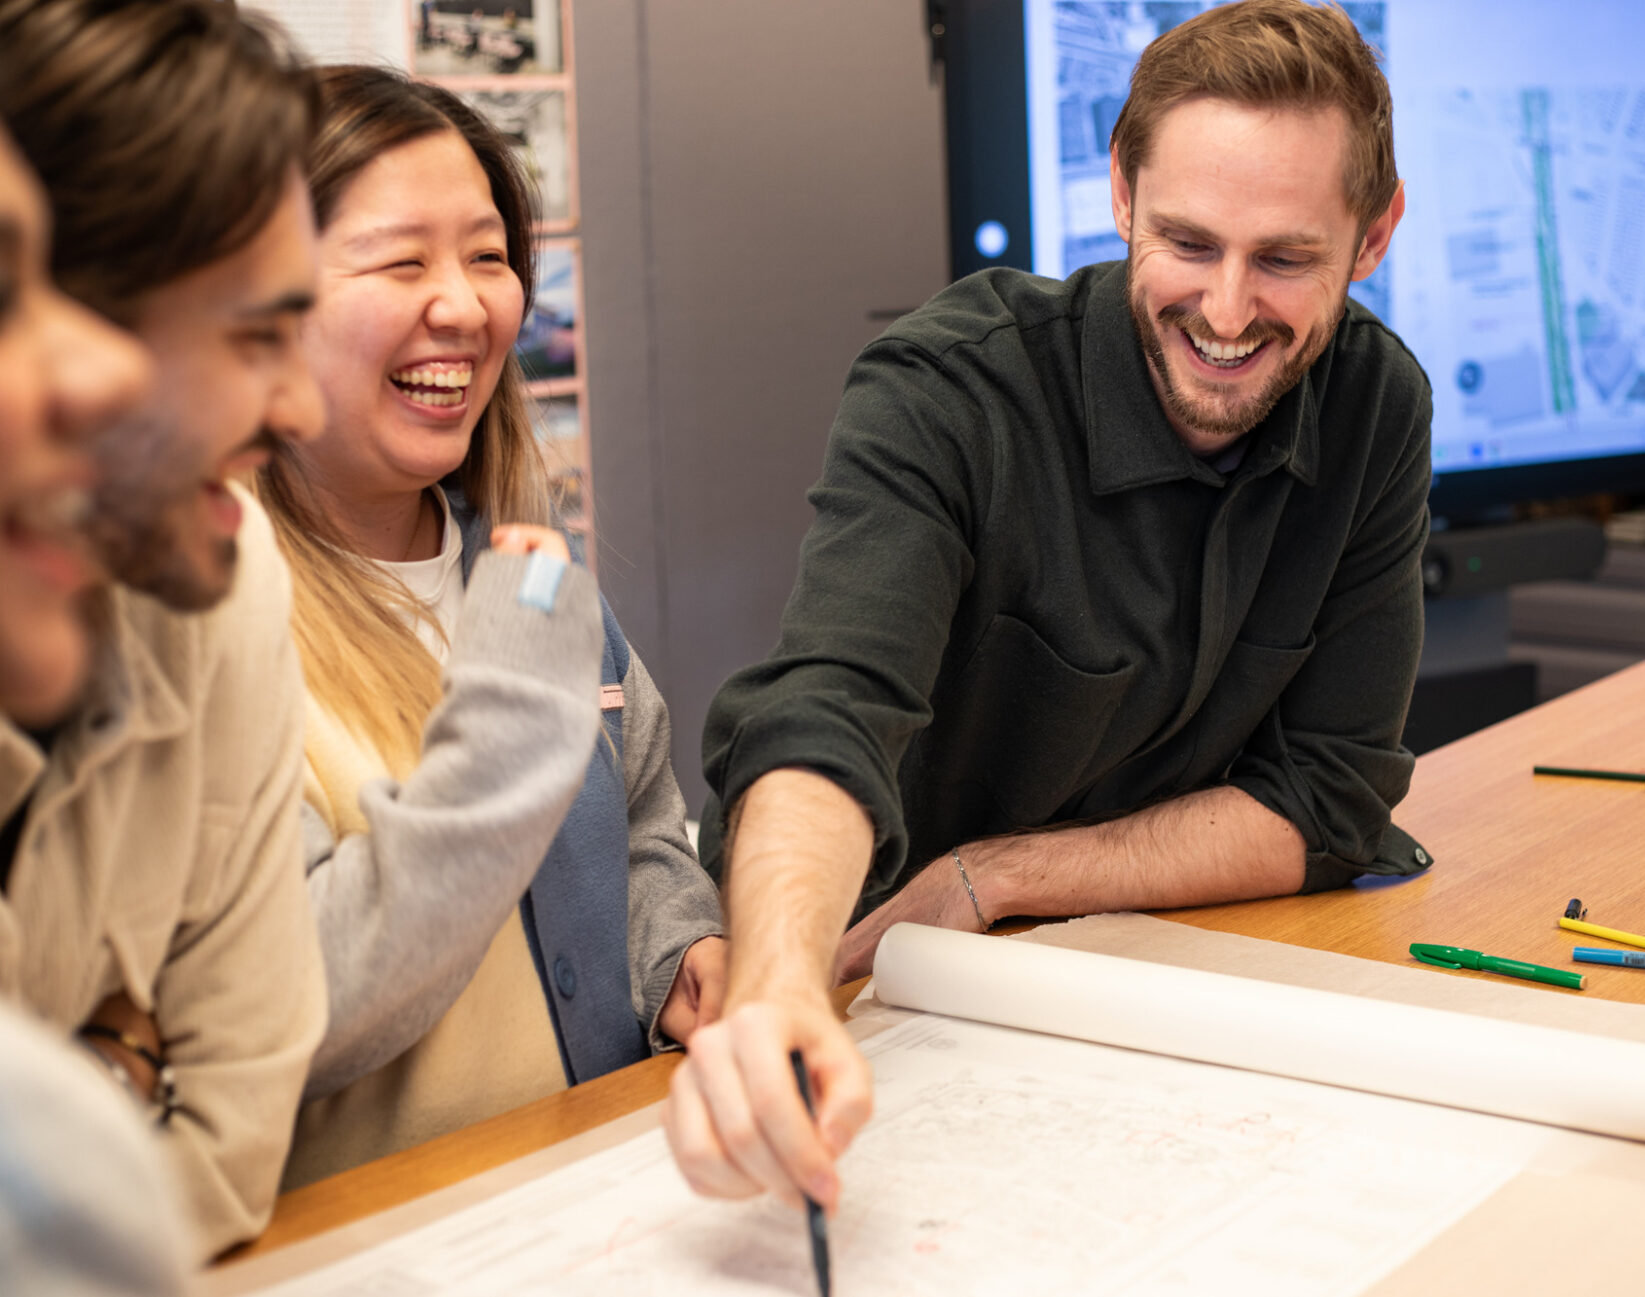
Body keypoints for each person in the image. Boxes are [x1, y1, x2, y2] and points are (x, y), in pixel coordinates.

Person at [675, 0, 1430, 1215]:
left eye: (1285, 258)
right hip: (870, 1004)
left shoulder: (1376, 409)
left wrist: (995, 875)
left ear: (1374, 234)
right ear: (1121, 193)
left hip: (1130, 999)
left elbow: (1331, 798)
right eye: (1187, 242)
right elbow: (825, 713)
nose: (1229, 312)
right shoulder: (949, 391)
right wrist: (775, 986)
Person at [260, 66, 724, 1187]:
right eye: (401, 259)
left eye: (486, 256)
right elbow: (285, 1005)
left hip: (595, 1199)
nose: (465, 305)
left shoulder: (529, 573)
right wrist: (512, 730)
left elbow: (647, 815)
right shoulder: (211, 623)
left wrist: (677, 949)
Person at [0, 0, 330, 1260]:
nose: (299, 404)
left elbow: (237, 1140)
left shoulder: (222, 578)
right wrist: (114, 1066)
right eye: (256, 338)